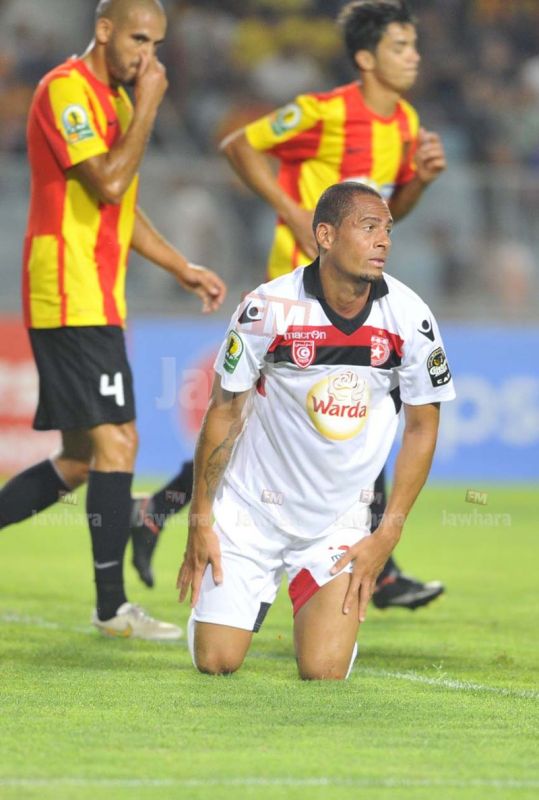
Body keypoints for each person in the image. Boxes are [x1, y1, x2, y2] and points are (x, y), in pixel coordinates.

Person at [0, 0, 226, 640]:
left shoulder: (120, 103)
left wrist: (181, 266)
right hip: (68, 290)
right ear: (103, 30)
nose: (146, 57)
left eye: (155, 45)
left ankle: (110, 608)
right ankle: (111, 609)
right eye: (137, 39)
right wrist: (149, 103)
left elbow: (121, 207)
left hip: (95, 294)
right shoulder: (65, 91)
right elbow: (107, 181)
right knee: (119, 441)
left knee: (79, 460)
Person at [218, 0, 447, 611]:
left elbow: (388, 215)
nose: (414, 57)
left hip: (353, 293)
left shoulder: (405, 122)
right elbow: (239, 145)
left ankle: (158, 513)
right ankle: (182, 520)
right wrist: (293, 212)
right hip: (296, 293)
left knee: (349, 414)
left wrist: (420, 180)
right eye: (401, 46)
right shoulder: (323, 112)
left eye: (414, 45)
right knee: (271, 420)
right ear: (366, 58)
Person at [177, 182, 455, 680]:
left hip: (339, 521)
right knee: (217, 661)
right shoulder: (267, 308)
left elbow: (421, 428)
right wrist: (201, 518)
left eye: (387, 229)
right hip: (251, 509)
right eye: (368, 227)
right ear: (325, 236)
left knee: (323, 671)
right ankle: (239, 603)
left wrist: (387, 531)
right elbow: (223, 411)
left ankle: (312, 607)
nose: (384, 241)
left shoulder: (410, 316)